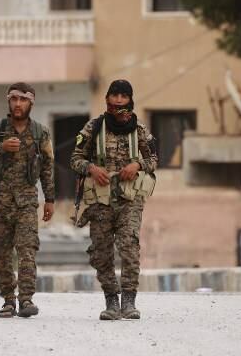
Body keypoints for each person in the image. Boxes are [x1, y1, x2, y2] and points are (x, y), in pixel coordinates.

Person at [70, 79, 157, 320]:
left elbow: (153, 160)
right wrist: (91, 169)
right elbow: (75, 158)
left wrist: (137, 165)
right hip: (100, 199)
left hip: (130, 199)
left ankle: (128, 301)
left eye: (123, 96)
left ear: (130, 100)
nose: (119, 100)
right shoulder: (93, 127)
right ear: (107, 99)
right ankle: (111, 300)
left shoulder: (139, 129)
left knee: (129, 247)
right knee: (101, 251)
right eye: (114, 95)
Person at [0, 82, 55, 318]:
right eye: (14, 99)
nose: (18, 104)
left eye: (23, 100)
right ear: (9, 101)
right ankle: (8, 300)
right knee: (1, 253)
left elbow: (47, 168)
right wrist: (1, 148)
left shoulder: (40, 133)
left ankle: (26, 299)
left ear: (31, 103)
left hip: (26, 203)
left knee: (27, 249)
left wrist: (50, 199)